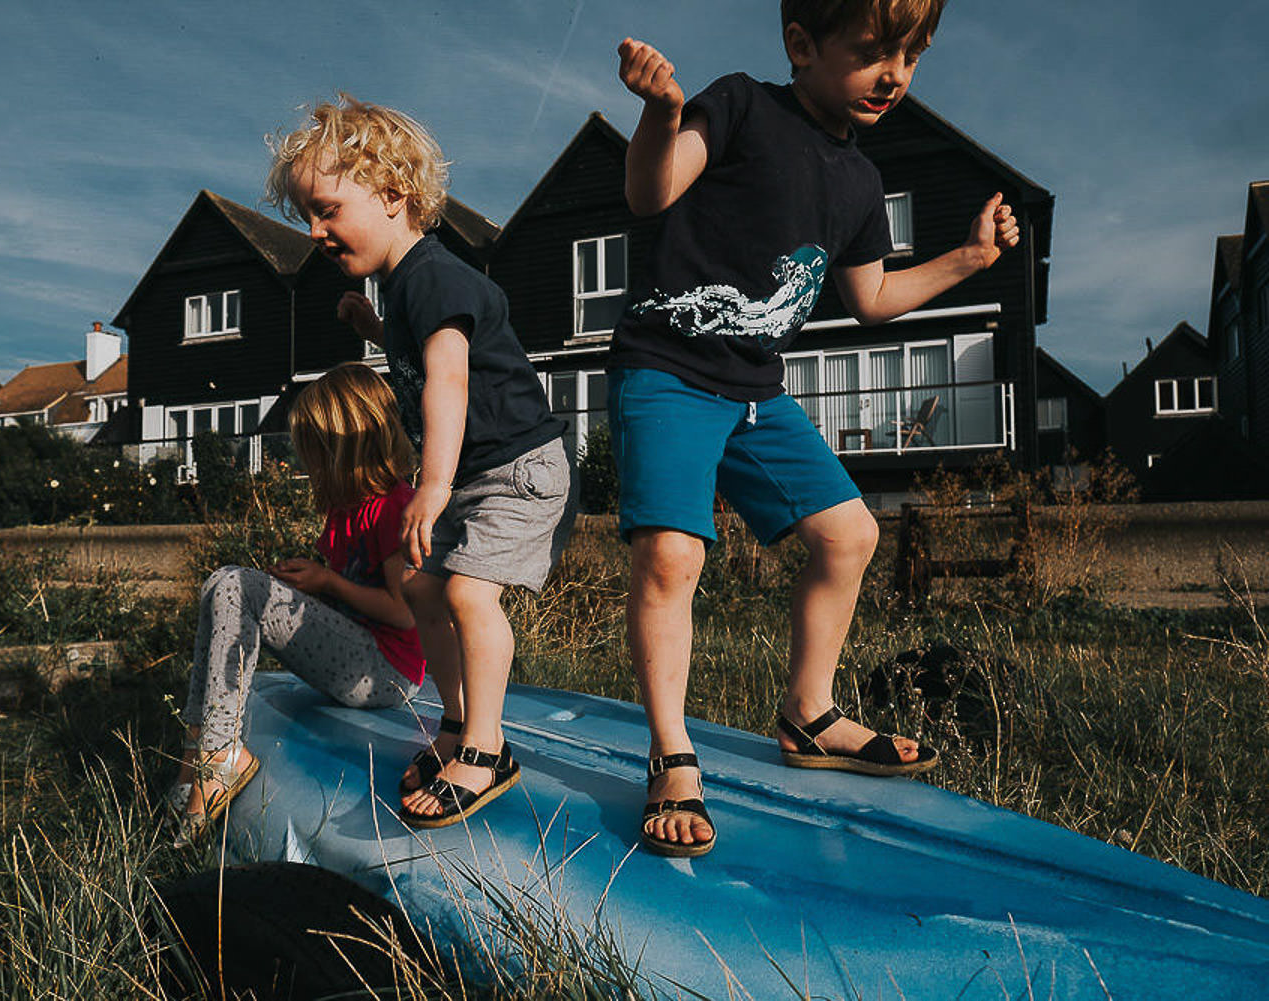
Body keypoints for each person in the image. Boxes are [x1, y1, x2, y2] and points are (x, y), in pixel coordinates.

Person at [610, 0, 1021, 857]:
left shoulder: (860, 183)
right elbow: (648, 192)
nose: (895, 74)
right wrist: (660, 116)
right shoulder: (739, 105)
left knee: (850, 535)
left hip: (758, 391)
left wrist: (970, 259)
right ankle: (672, 753)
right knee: (672, 555)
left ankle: (809, 713)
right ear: (801, 46)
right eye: (873, 52)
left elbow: (871, 300)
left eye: (913, 56)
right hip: (670, 373)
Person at [267, 96, 575, 830]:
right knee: (425, 590)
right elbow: (418, 359)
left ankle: (488, 746)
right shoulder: (405, 289)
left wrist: (430, 485)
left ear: (394, 196)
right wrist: (375, 327)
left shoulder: (434, 277)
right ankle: (456, 721)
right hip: (478, 475)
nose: (315, 232)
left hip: (519, 470)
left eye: (328, 210)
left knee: (467, 595)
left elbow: (449, 379)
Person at [169, 362, 425, 846]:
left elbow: (403, 612)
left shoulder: (395, 506)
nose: (307, 464)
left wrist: (326, 581)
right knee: (219, 585)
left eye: (314, 451)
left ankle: (221, 758)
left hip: (387, 672)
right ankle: (195, 755)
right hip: (356, 655)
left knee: (236, 585)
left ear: (345, 448)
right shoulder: (342, 511)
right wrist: (311, 585)